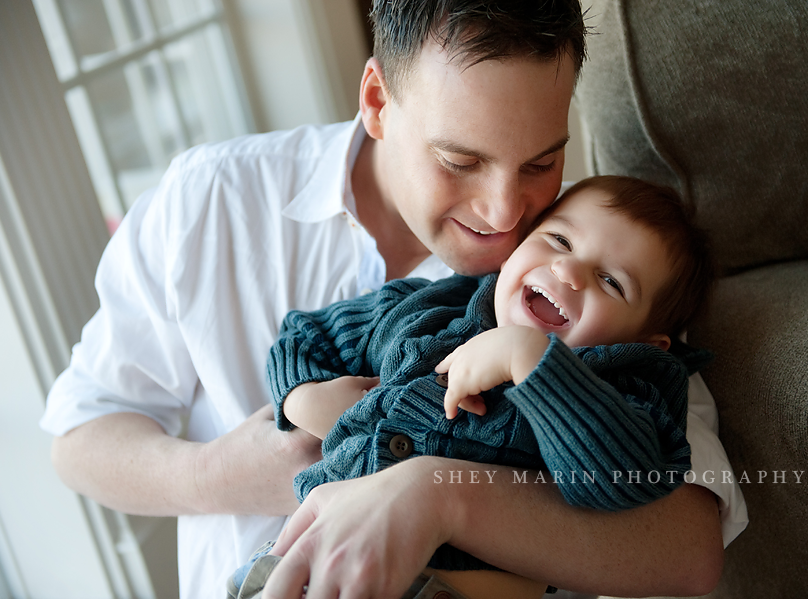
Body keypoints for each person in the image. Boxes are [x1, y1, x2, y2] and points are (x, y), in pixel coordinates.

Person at [41, 2, 747, 598]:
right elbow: (81, 437)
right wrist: (227, 473)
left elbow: (685, 544)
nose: (507, 211)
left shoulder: (588, 260)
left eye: (541, 161)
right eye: (460, 161)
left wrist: (437, 494)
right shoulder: (210, 200)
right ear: (377, 101)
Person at [229, 175, 715, 599]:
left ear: (648, 343)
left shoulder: (624, 390)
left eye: (611, 281)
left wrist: (530, 360)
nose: (568, 271)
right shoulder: (427, 309)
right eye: (559, 241)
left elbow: (621, 482)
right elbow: (308, 334)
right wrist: (303, 397)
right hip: (298, 559)